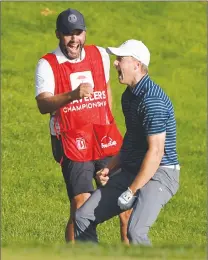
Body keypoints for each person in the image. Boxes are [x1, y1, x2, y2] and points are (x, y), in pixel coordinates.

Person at [35, 8, 131, 244]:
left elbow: (106, 88)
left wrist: (107, 120)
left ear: (84, 33)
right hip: (71, 140)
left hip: (104, 137)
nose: (74, 39)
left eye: (78, 32)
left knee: (126, 203)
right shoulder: (47, 64)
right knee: (82, 203)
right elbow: (43, 104)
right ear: (58, 34)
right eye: (68, 33)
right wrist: (72, 95)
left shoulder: (99, 55)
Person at [74, 39, 180, 245]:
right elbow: (131, 141)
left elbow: (156, 153)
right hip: (135, 167)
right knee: (83, 217)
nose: (115, 64)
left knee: (136, 231)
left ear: (136, 65)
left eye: (120, 59)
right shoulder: (129, 96)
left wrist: (131, 190)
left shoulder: (152, 101)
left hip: (161, 172)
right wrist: (110, 168)